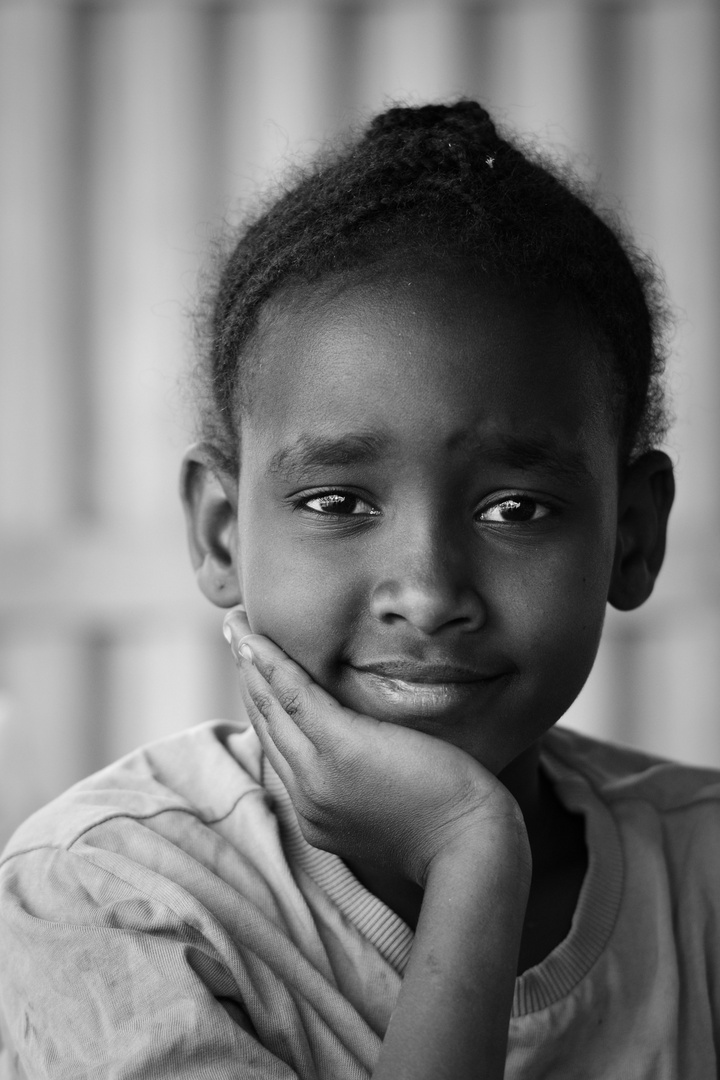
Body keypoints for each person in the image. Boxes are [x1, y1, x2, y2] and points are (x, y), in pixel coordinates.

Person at [0, 99, 717, 1079]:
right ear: (220, 532)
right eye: (338, 500)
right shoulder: (100, 896)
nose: (426, 592)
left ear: (633, 537)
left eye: (516, 510)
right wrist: (472, 861)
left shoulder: (702, 879)